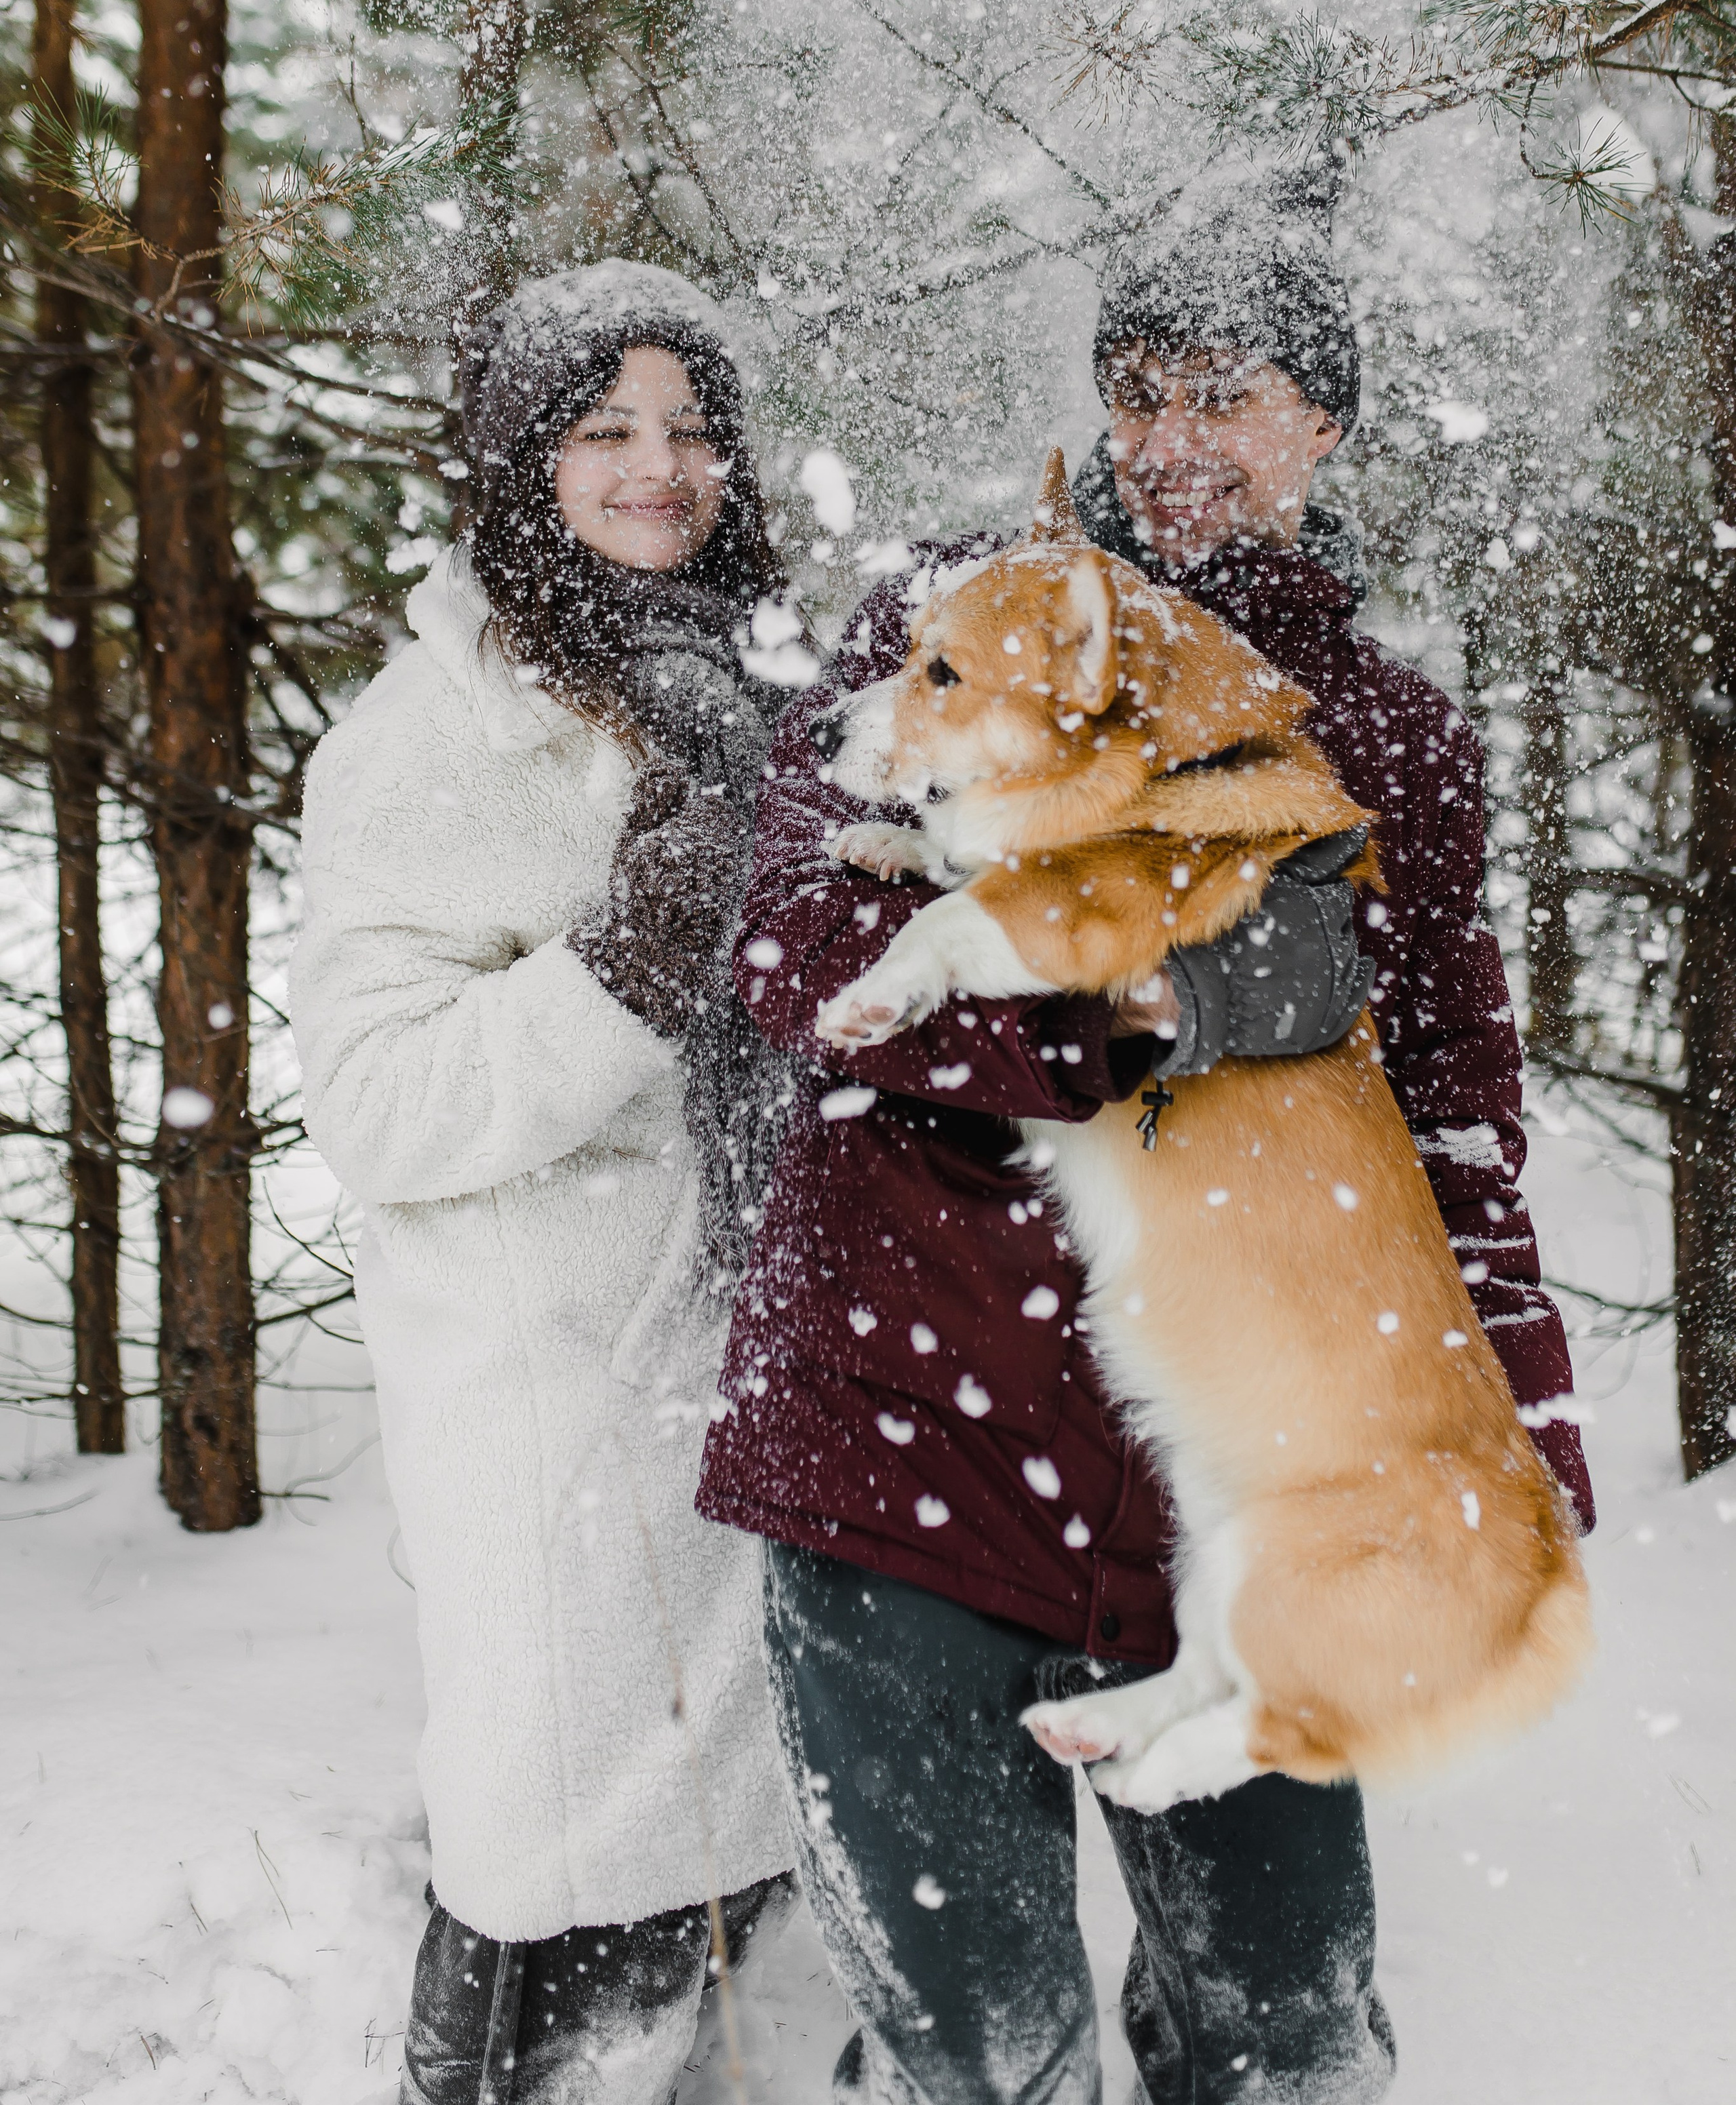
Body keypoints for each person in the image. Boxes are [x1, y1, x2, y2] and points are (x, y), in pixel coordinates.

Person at [694, 172, 1594, 2105]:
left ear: (1324, 425)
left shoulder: (1388, 735)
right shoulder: (957, 613)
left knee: (1289, 2044)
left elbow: (1449, 1114)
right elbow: (798, 930)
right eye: (1143, 390)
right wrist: (1142, 1003)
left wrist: (1522, 1440)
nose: (1175, 443)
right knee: (977, 2056)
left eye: (1231, 395)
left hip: (1219, 1488)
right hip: (906, 1434)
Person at [290, 260, 797, 2105]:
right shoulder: (425, 743)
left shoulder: (747, 691)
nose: (656, 470)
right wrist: (627, 975)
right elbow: (380, 1097)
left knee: (719, 1902)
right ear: (523, 462)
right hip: (562, 1415)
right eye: (604, 431)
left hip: (745, 1375)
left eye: (689, 429)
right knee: (562, 1891)